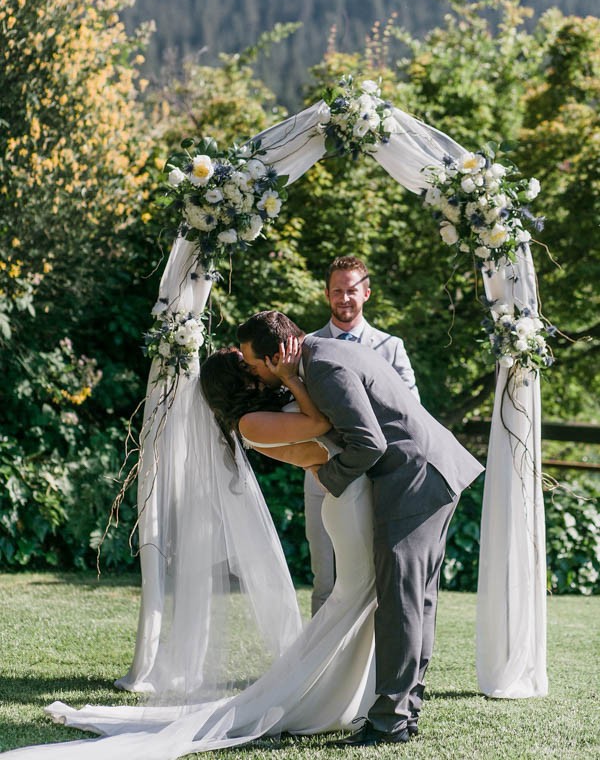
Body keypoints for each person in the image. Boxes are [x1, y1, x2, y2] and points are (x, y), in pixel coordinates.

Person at [5, 340, 380, 759]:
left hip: (349, 498)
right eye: (250, 365)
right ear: (240, 381)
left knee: (356, 600)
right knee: (355, 598)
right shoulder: (255, 423)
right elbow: (322, 425)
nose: (260, 369)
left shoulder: (266, 414)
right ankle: (322, 698)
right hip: (347, 505)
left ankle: (345, 695)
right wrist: (294, 376)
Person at [238, 310, 484, 747]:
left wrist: (328, 477)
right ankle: (402, 712)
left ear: (277, 355)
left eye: (255, 363)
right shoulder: (326, 355)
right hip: (430, 473)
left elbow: (371, 442)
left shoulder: (324, 367)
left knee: (400, 602)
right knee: (416, 601)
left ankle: (390, 721)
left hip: (415, 480)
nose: (253, 371)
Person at [306, 255, 420, 615]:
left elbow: (411, 411)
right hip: (323, 477)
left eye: (351, 290)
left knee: (374, 576)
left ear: (366, 293)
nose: (344, 299)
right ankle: (319, 670)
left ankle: (367, 668)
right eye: (337, 291)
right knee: (324, 577)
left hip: (381, 479)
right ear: (327, 294)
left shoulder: (392, 347)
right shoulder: (306, 347)